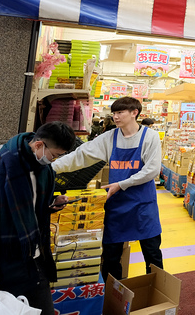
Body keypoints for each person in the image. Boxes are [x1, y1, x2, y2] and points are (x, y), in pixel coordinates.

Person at [52, 96, 164, 280]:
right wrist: (50, 167)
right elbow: (81, 155)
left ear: (134, 113)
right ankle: (114, 298)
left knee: (152, 254)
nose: (116, 117)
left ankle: (158, 293)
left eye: (120, 112)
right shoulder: (110, 137)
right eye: (114, 113)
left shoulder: (149, 137)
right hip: (117, 206)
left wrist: (121, 184)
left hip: (143, 206)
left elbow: (152, 171)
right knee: (111, 257)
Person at [0, 122, 76, 313]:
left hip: (36, 260)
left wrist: (53, 203)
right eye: (55, 155)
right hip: (6, 266)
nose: (54, 160)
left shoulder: (44, 170)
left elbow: (34, 208)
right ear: (39, 145)